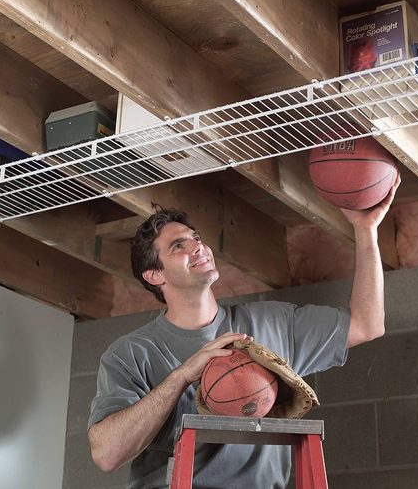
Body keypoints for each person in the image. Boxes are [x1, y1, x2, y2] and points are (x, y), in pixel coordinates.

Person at [88, 175, 400, 488]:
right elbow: (106, 455)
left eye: (196, 238)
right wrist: (183, 376)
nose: (198, 247)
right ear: (155, 275)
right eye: (178, 246)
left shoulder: (271, 323)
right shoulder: (131, 353)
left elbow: (367, 324)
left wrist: (366, 229)